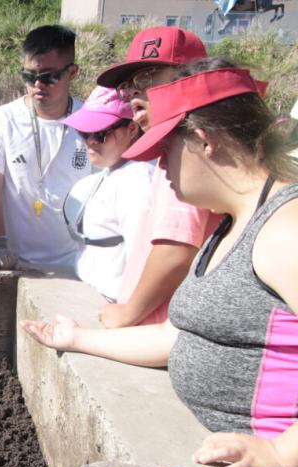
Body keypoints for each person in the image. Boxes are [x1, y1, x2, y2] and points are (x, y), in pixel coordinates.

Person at [22, 60, 298, 467]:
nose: (160, 167)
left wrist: (280, 453)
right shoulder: (230, 221)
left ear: (205, 141)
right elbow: (179, 336)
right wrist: (78, 339)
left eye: (165, 150)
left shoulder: (284, 229)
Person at [94, 26, 221, 328]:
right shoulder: (185, 146)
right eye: (127, 84)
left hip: (155, 327)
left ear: (189, 76)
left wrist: (128, 312)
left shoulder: (186, 151)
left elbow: (175, 251)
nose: (133, 91)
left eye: (146, 77)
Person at [0, 25, 93, 272]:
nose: (37, 84)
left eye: (49, 77)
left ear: (72, 72)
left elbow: (104, 191)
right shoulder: (3, 119)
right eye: (28, 76)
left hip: (76, 264)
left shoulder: (91, 121)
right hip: (14, 263)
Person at [60, 86, 154, 302]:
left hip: (113, 304)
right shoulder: (112, 172)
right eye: (84, 132)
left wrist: (126, 314)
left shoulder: (138, 180)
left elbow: (143, 262)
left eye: (101, 134)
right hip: (92, 295)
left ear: (132, 129)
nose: (91, 141)